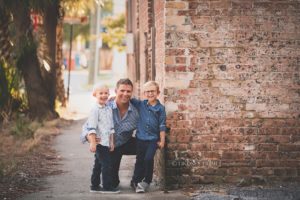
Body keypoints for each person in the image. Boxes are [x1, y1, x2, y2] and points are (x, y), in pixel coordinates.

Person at [81, 78, 139, 189]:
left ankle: (137, 181)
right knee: (112, 182)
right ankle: (100, 184)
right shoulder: (104, 107)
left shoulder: (136, 112)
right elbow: (87, 126)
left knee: (146, 146)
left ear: (132, 93)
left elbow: (147, 124)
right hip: (109, 147)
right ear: (116, 91)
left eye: (128, 91)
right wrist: (90, 138)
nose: (125, 94)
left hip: (125, 142)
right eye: (122, 90)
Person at [80, 84, 119, 194]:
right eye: (100, 93)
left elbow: (111, 127)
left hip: (106, 142)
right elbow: (91, 127)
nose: (103, 95)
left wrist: (112, 142)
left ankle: (94, 185)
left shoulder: (108, 108)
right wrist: (92, 143)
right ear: (95, 95)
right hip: (99, 142)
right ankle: (107, 186)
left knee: (98, 164)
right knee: (107, 164)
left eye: (106, 93)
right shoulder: (95, 109)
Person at [130, 81, 166, 193]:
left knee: (148, 159)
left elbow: (162, 125)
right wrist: (115, 96)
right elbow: (128, 98)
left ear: (158, 92)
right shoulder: (141, 104)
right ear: (144, 93)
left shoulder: (160, 108)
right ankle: (135, 181)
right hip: (140, 139)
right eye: (147, 91)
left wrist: (162, 140)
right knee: (139, 160)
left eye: (152, 91)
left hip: (152, 140)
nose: (150, 93)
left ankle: (147, 180)